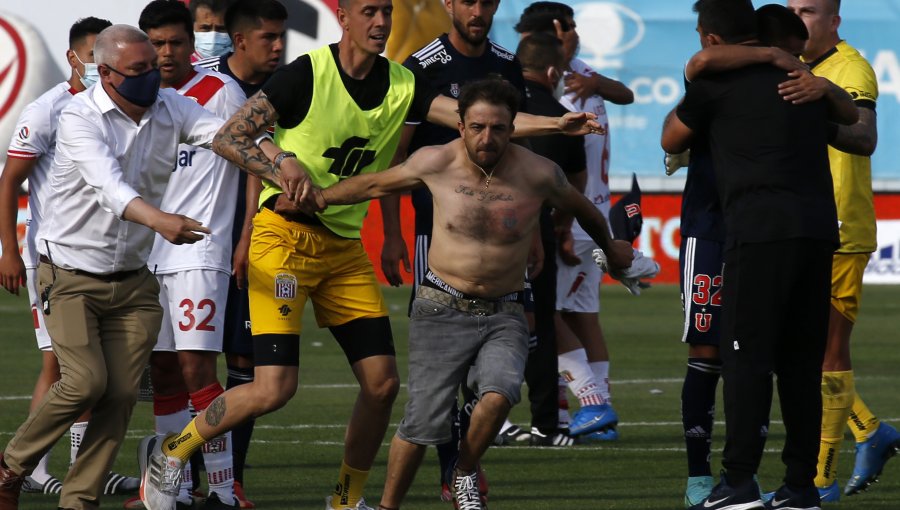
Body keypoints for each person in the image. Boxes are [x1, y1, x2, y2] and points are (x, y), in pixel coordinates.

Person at [136, 0, 601, 509]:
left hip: (342, 248)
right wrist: (283, 167)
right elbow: (231, 136)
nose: (381, 22)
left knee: (381, 386)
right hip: (284, 242)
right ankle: (173, 451)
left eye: (387, 13)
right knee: (274, 389)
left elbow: (481, 118)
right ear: (345, 18)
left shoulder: (404, 84)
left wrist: (557, 126)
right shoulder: (307, 74)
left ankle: (344, 498)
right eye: (370, 12)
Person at [311, 77, 634, 510]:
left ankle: (462, 469)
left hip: (505, 310)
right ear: (460, 125)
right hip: (440, 307)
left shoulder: (538, 173)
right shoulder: (436, 161)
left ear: (512, 127)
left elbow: (584, 209)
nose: (487, 137)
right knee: (422, 423)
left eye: (499, 128)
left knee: (500, 393)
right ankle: (388, 506)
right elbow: (374, 185)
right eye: (478, 126)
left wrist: (611, 248)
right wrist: (317, 198)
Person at [0, 23, 227, 510]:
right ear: (99, 70)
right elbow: (107, 189)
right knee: (82, 381)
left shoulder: (169, 106)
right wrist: (9, 250)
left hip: (133, 277)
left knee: (120, 395)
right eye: (140, 69)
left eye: (155, 64)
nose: (155, 74)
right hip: (68, 271)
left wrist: (278, 155)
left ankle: (78, 500)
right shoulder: (66, 113)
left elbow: (225, 135)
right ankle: (12, 465)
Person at [661, 0, 857, 508]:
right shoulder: (808, 88)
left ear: (711, 38)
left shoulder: (716, 84)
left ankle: (739, 482)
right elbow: (852, 119)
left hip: (758, 232)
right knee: (799, 365)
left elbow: (670, 136)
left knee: (745, 362)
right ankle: (799, 488)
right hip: (816, 234)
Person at [382, 0, 529, 495]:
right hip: (436, 230)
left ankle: (460, 465)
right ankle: (455, 470)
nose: (478, 9)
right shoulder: (420, 68)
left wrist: (531, 232)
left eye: (487, 1)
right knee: (447, 363)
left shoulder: (508, 64)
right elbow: (395, 158)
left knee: (493, 367)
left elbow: (521, 152)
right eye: (468, 0)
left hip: (504, 235)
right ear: (448, 4)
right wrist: (393, 233)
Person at [0, 15, 142, 499]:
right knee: (59, 368)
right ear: (74, 58)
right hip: (53, 258)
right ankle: (30, 468)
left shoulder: (122, 108)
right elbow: (10, 182)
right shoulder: (49, 110)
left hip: (108, 258)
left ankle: (85, 469)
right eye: (90, 54)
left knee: (98, 375)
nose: (97, 64)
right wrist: (10, 253)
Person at [138, 2, 247, 509]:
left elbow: (250, 163)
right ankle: (173, 486)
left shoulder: (220, 93)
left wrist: (244, 238)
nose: (166, 53)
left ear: (191, 44)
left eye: (176, 43)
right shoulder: (137, 98)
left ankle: (223, 487)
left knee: (197, 371)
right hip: (147, 254)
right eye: (156, 44)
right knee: (162, 372)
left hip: (200, 253)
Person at [514, 0, 636, 445]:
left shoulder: (560, 85)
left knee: (544, 313)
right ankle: (596, 412)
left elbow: (562, 165)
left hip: (571, 214)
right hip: (593, 213)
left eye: (530, 38)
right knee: (582, 314)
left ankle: (590, 402)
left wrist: (560, 226)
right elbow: (625, 95)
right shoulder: (581, 75)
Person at [786, 0, 893, 501]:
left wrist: (816, 116)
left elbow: (863, 136)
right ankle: (870, 431)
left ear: (834, 21)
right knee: (790, 349)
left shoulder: (850, 68)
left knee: (827, 353)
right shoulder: (789, 66)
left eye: (808, 10)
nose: (798, 18)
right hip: (793, 224)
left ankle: (819, 479)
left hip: (840, 228)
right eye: (791, 8)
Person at [195, 3, 287, 505]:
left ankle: (232, 480)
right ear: (241, 39)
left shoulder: (286, 90)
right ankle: (180, 472)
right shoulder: (206, 86)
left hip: (256, 245)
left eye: (282, 37)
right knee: (188, 364)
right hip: (199, 246)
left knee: (247, 361)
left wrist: (249, 232)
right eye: (268, 38)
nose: (278, 47)